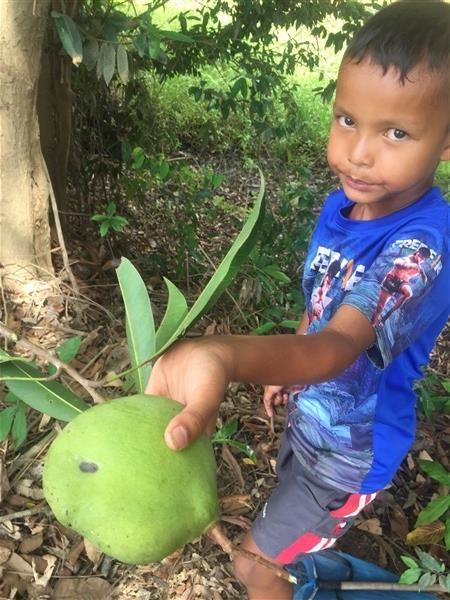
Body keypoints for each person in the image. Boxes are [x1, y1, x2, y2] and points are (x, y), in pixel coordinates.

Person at [146, 2, 450, 599]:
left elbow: (339, 345)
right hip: (314, 424)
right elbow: (323, 311)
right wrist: (290, 367)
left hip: (350, 456)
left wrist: (229, 356)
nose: (359, 152)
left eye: (396, 133)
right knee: (281, 522)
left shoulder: (420, 250)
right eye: (346, 119)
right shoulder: (344, 208)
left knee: (256, 565)